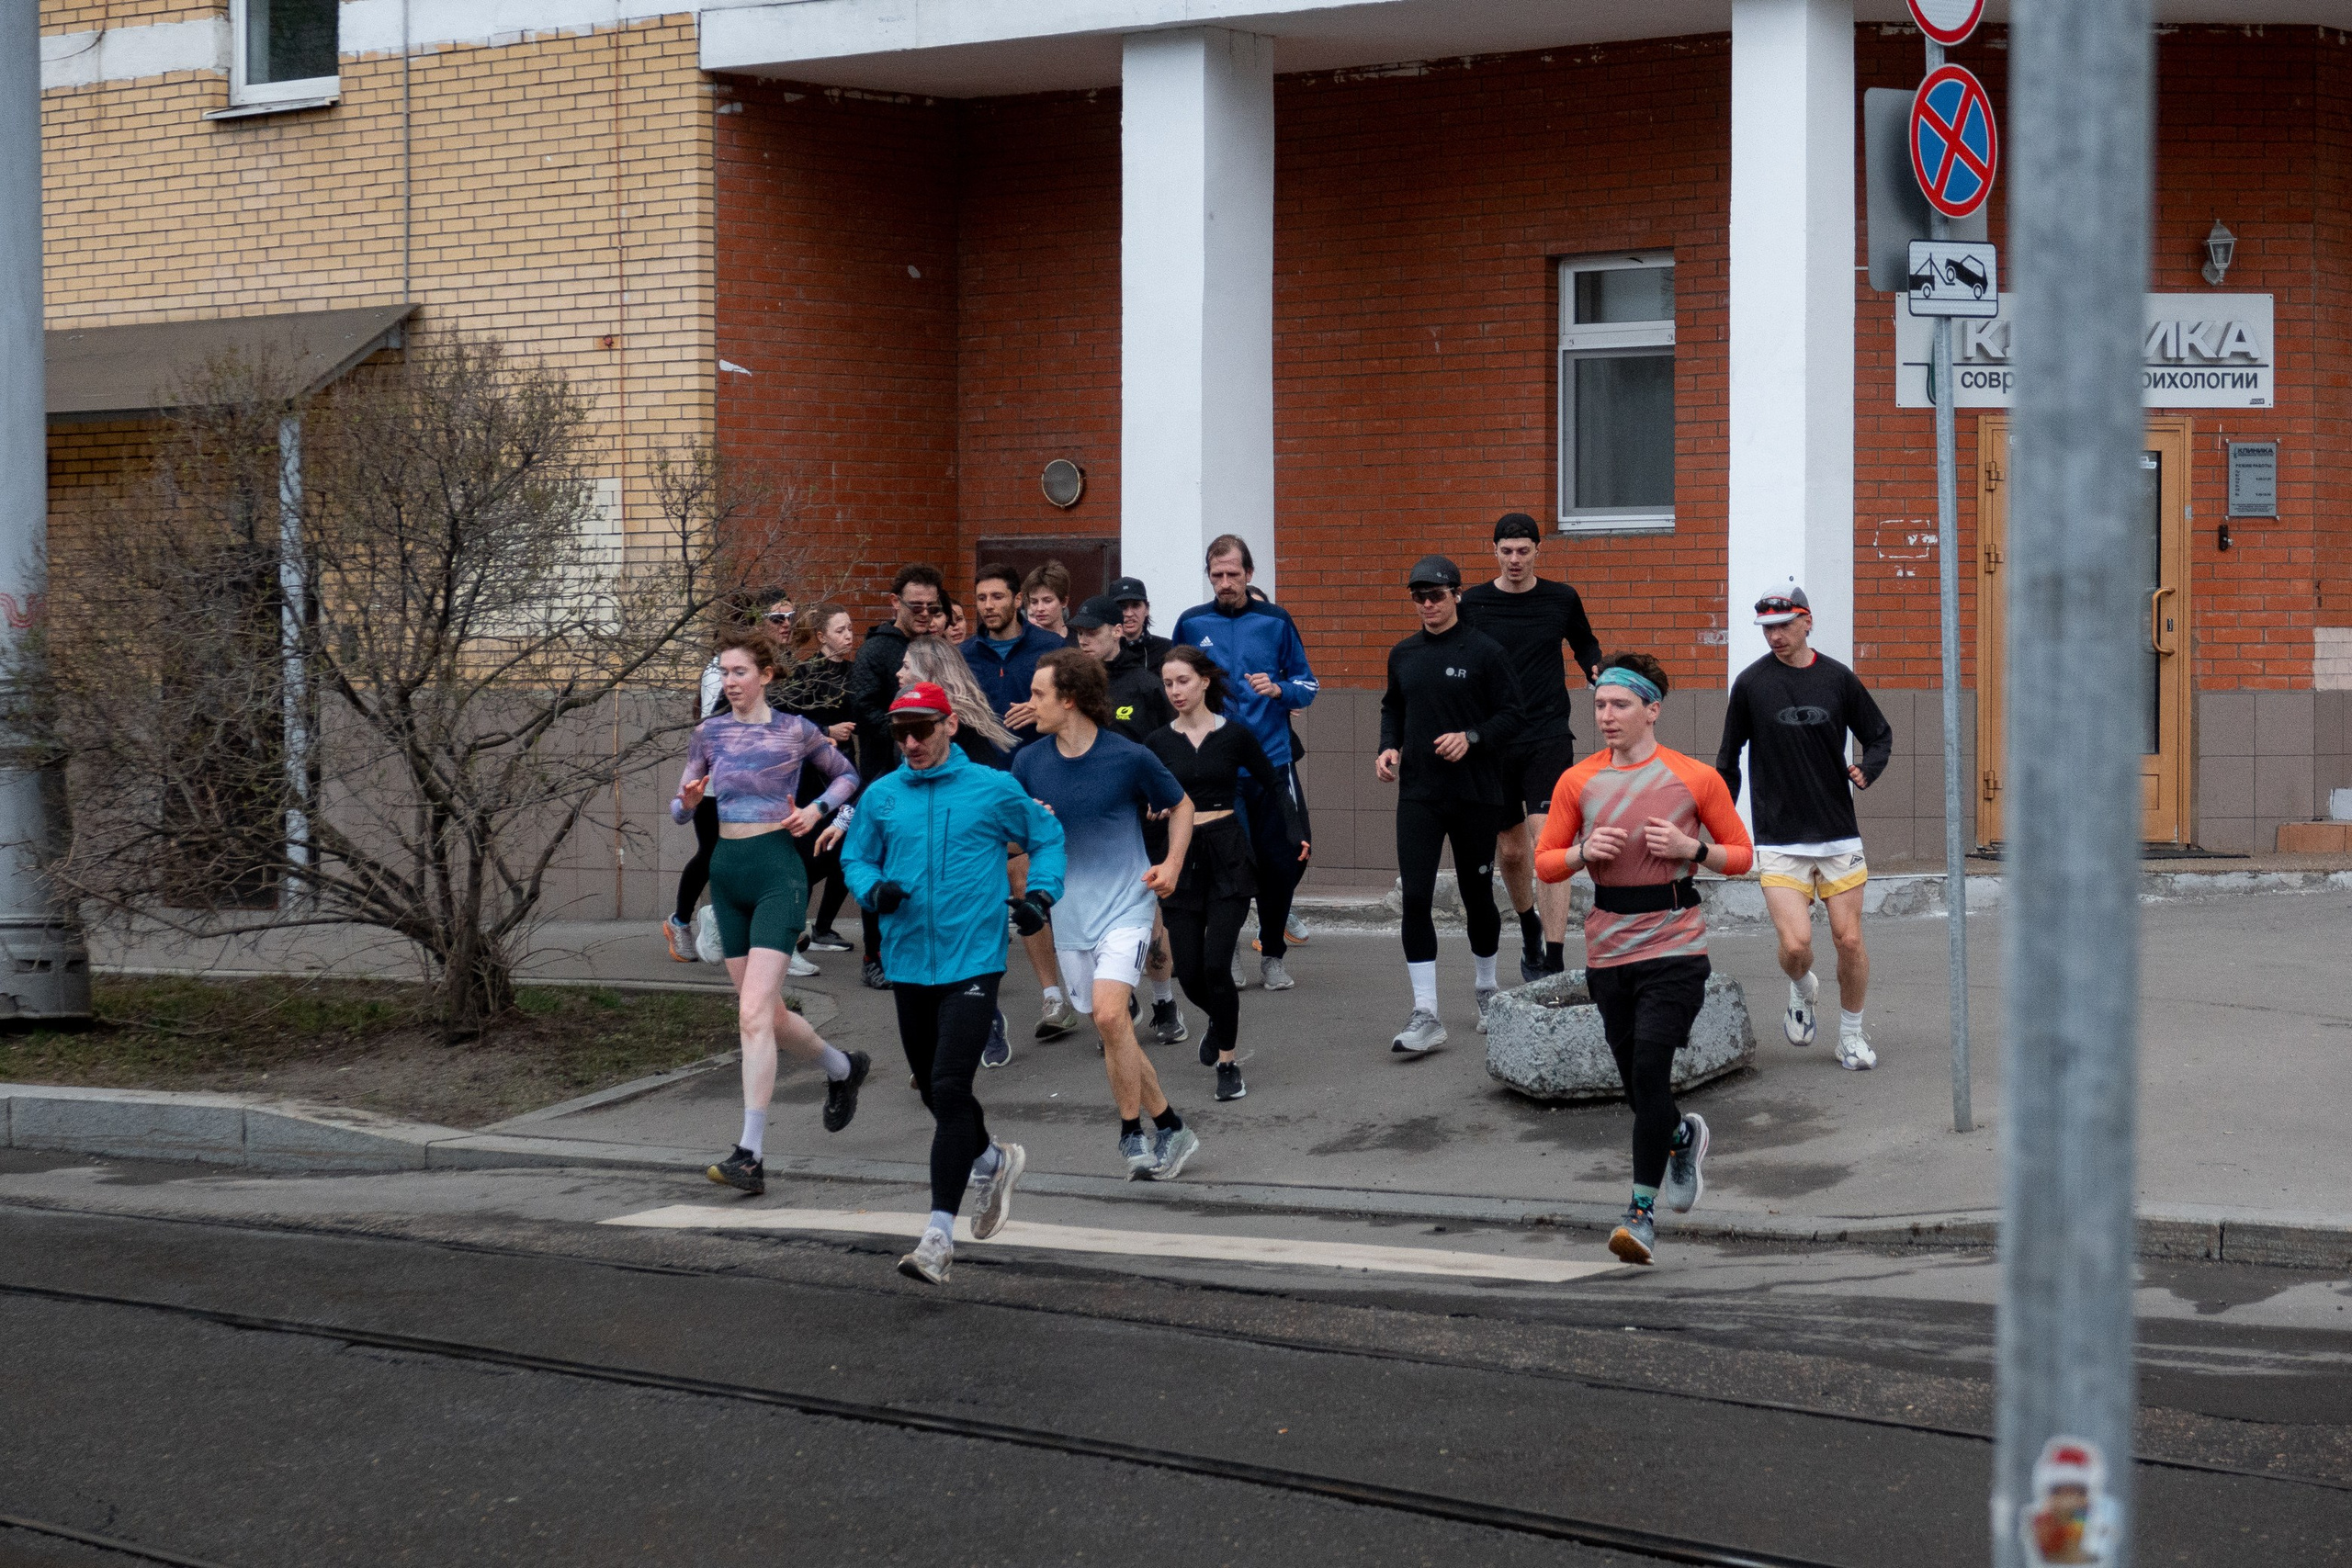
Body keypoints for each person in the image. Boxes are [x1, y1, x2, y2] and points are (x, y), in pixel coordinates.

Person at [834, 682, 1065, 1286]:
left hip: (974, 959)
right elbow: (857, 857)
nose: (909, 741)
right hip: (908, 961)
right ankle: (992, 1159)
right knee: (938, 1098)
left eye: (921, 729)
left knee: (947, 1082)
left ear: (950, 724)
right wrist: (872, 889)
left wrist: (1040, 894)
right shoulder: (882, 795)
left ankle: (938, 1235)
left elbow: (1048, 838)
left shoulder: (992, 788)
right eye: (900, 731)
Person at [1536, 653, 1755, 1266]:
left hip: (1676, 944)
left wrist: (1693, 848)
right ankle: (1681, 1135)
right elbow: (1544, 862)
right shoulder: (1577, 781)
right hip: (1609, 948)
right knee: (1639, 1084)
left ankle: (1639, 1212)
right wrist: (1581, 853)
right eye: (1600, 704)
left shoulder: (1693, 778)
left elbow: (1741, 855)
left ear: (1651, 709)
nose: (1606, 715)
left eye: (1620, 705)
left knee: (1652, 1068)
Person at [672, 625, 872, 1197]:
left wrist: (818, 812)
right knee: (770, 1016)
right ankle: (841, 1068)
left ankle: (750, 1154)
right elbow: (680, 805)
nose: (730, 682)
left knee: (752, 1014)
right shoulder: (708, 733)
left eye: (740, 672)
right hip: (726, 875)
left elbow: (849, 777)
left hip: (777, 875)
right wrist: (685, 804)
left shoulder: (795, 730)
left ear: (765, 674)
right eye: (724, 672)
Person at [1012, 650, 1202, 1179]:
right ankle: (1171, 1125)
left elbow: (1182, 805)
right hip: (1069, 917)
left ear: (1069, 700)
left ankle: (1129, 1134)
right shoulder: (1029, 762)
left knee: (1113, 1016)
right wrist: (1029, 828)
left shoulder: (1128, 756)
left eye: (1038, 694)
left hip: (1127, 905)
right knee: (1109, 1024)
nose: (1030, 704)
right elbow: (1007, 836)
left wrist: (1171, 864)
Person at [1714, 581, 1894, 1071]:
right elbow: (1728, 758)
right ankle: (1801, 987)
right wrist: (1721, 819)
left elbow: (1879, 734)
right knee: (1796, 947)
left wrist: (1867, 769)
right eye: (1767, 628)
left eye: (1784, 625)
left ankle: (1851, 1037)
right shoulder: (1751, 684)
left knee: (1849, 939)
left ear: (1807, 621)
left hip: (1837, 832)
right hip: (1778, 836)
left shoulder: (1838, 679)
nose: (1775, 635)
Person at [1374, 555, 1528, 1054]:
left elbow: (1513, 715)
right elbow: (1393, 704)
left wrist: (1473, 737)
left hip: (1475, 793)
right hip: (1419, 792)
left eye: (1436, 595)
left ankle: (1486, 988)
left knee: (1476, 895)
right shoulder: (1403, 653)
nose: (1427, 604)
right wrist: (1388, 745)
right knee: (1415, 897)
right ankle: (1426, 1013)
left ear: (1456, 595)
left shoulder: (1485, 651)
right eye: (1418, 596)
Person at [1148, 646, 1305, 1101]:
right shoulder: (1157, 743)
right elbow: (1141, 797)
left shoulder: (1235, 735)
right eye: (1168, 683)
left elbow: (1275, 782)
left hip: (1228, 853)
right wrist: (1151, 813)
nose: (1175, 690)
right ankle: (1219, 1020)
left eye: (1182, 681)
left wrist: (1295, 832)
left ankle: (1228, 1062)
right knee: (1191, 973)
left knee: (1217, 963)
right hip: (1177, 859)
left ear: (1204, 682)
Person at [1460, 513, 1604, 982]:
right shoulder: (1474, 603)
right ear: (1495, 552)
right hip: (1493, 739)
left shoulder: (1561, 598)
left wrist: (1595, 669)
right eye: (1507, 551)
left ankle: (1556, 959)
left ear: (1538, 550)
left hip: (1547, 733)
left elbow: (1584, 643)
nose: (1516, 559)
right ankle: (1528, 926)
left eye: (1524, 550)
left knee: (1549, 840)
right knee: (1514, 851)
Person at [1171, 536, 1317, 991]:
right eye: (1217, 575)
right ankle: (1227, 948)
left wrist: (1280, 690)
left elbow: (1308, 685)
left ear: (1250, 575)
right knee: (1224, 865)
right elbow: (1172, 681)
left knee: (1286, 859)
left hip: (1271, 764)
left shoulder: (1275, 620)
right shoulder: (1193, 623)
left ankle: (1272, 951)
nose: (1226, 583)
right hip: (1216, 770)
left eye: (1234, 574)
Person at [900, 635, 1052, 1069]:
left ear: (929, 673)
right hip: (926, 849)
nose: (898, 674)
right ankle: (944, 1039)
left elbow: (1000, 786)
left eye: (906, 667)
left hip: (975, 850)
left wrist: (1018, 822)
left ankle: (982, 1019)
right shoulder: (906, 723)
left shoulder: (968, 728)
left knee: (969, 939)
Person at [1072, 594, 1182, 1044]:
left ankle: (1164, 1001)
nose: (1084, 642)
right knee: (1099, 917)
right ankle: (1117, 1007)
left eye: (1092, 633)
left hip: (1144, 819)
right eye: (1077, 633)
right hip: (1094, 823)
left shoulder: (1144, 685)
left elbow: (1169, 747)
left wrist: (1164, 796)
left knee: (1148, 917)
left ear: (1117, 630)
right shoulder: (1074, 687)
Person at [666, 588, 792, 964]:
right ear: (756, 622)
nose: (787, 625)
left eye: (791, 616)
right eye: (777, 618)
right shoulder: (720, 669)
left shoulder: (780, 667)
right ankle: (682, 922)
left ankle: (741, 929)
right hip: (716, 785)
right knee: (712, 854)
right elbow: (714, 722)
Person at [848, 565, 950, 988]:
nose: (925, 613)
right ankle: (876, 956)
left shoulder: (937, 647)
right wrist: (905, 727)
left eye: (933, 606)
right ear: (895, 604)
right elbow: (861, 708)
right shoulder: (877, 652)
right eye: (917, 606)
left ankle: (931, 947)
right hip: (884, 774)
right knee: (880, 867)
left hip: (935, 775)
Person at [775, 603, 860, 960]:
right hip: (812, 774)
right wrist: (826, 731)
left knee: (847, 849)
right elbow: (787, 718)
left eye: (851, 628)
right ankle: (788, 925)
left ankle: (823, 927)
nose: (849, 635)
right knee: (810, 852)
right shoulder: (805, 673)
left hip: (847, 772)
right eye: (840, 630)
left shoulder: (857, 673)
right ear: (822, 635)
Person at [962, 559, 1067, 742]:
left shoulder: (1053, 647)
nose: (988, 606)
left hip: (1036, 759)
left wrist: (1042, 712)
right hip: (981, 764)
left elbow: (1074, 705)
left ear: (1017, 600)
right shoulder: (963, 655)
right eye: (981, 598)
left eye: (997, 597)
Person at [1110, 575, 1172, 671]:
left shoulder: (1166, 650)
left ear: (1147, 609)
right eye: (1122, 607)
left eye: (1136, 605)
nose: (1129, 614)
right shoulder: (1104, 652)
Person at [1022, 559, 1074, 645]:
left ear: (1064, 601)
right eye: (1034, 602)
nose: (1040, 608)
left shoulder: (1080, 641)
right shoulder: (1023, 643)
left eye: (1047, 601)